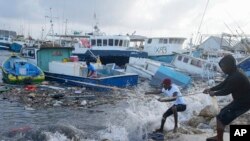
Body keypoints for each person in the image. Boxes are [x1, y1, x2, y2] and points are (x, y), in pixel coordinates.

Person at [203, 55, 250, 141]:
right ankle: (219, 137)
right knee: (222, 114)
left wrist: (214, 93)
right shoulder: (234, 73)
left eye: (223, 67)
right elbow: (223, 84)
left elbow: (226, 91)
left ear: (229, 65)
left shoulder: (236, 76)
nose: (222, 69)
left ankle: (219, 138)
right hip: (241, 100)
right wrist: (210, 89)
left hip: (244, 102)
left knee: (221, 116)